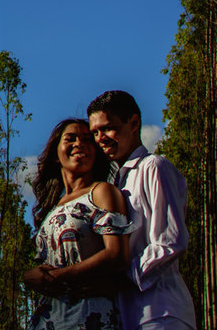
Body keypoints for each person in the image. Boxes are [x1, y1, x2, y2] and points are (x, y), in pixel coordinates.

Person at [87, 90, 196, 330]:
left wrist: (120, 276)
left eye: (107, 128)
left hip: (162, 312)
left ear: (133, 123)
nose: (100, 138)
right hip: (128, 316)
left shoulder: (154, 167)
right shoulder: (115, 183)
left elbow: (170, 242)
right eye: (95, 132)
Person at [23, 118, 133, 330]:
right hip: (50, 319)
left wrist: (54, 278)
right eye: (70, 139)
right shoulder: (52, 208)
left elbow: (117, 254)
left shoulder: (101, 192)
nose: (79, 144)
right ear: (56, 153)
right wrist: (29, 276)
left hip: (89, 317)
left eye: (86, 139)